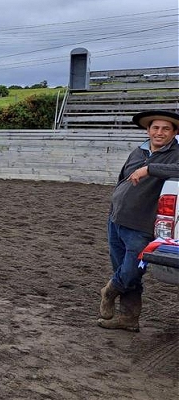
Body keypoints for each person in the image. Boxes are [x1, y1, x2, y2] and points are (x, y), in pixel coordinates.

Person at [97, 110, 179, 332]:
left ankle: (110, 290)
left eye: (165, 129)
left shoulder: (176, 153)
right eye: (155, 128)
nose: (159, 132)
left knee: (134, 268)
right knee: (121, 264)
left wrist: (149, 169)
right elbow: (123, 178)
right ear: (148, 130)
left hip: (142, 225)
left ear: (174, 133)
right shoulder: (138, 151)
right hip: (116, 219)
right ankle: (128, 318)